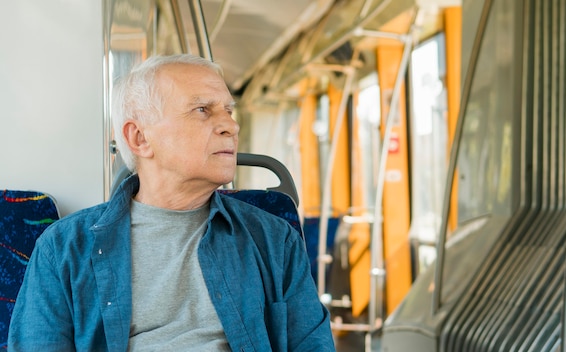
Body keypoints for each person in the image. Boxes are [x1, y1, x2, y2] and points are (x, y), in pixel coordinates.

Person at [9, 54, 335, 351]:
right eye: (202, 110)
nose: (231, 126)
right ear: (140, 138)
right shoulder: (64, 249)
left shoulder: (274, 240)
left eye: (229, 111)